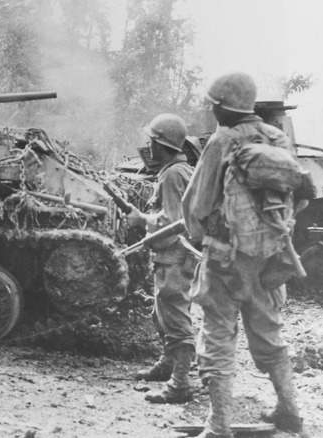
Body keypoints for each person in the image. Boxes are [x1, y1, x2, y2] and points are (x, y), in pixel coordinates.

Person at [182, 71, 304, 437]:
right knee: (269, 332)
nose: (212, 110)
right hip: (270, 258)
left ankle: (218, 425)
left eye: (213, 105)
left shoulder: (222, 140)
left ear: (223, 107)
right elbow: (295, 195)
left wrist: (202, 237)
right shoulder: (278, 138)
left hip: (226, 260)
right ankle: (289, 410)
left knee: (217, 336)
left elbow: (197, 205)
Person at [125, 113, 197, 404]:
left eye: (152, 141)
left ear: (160, 145)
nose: (149, 146)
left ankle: (180, 383)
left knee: (175, 317)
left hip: (173, 255)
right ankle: (168, 365)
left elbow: (172, 221)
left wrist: (141, 219)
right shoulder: (180, 170)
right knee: (161, 313)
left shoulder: (171, 175)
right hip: (172, 254)